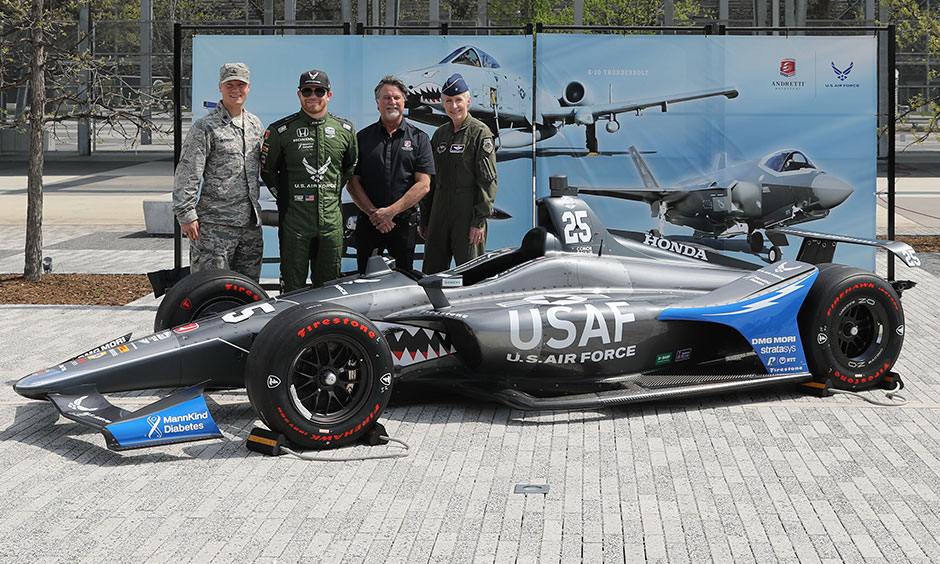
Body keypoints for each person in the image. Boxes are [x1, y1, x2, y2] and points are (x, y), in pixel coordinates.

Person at [260, 69, 358, 292]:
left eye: (319, 91)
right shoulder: (280, 131)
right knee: (292, 287)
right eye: (307, 90)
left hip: (331, 222)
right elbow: (267, 171)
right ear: (299, 94)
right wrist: (285, 197)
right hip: (295, 221)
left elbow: (349, 167)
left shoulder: (345, 129)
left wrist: (329, 192)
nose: (313, 96)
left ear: (329, 95)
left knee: (329, 287)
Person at [172, 62, 264, 281]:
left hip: (249, 228)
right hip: (214, 227)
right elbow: (188, 171)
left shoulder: (255, 125)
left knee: (248, 295)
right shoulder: (205, 127)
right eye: (229, 84)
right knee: (209, 291)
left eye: (240, 84)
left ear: (248, 87)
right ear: (220, 88)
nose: (235, 90)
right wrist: (185, 213)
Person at [347, 76, 434, 273]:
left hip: (403, 225)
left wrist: (390, 212)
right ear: (378, 103)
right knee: (364, 280)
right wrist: (375, 215)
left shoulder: (420, 139)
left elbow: (423, 185)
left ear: (404, 102)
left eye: (396, 97)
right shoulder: (361, 138)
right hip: (369, 224)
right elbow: (352, 183)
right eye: (386, 98)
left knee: (404, 281)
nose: (391, 102)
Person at [419, 73, 498, 274]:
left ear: (468, 101)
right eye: (448, 101)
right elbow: (431, 181)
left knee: (471, 273)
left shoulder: (480, 133)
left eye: (458, 100)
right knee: (432, 272)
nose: (454, 106)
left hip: (467, 213)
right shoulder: (440, 134)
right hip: (439, 211)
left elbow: (487, 181)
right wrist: (426, 218)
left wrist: (478, 221)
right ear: (443, 104)